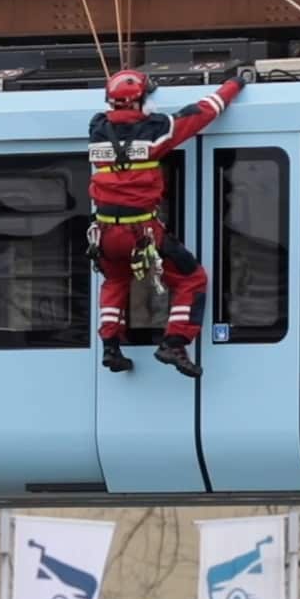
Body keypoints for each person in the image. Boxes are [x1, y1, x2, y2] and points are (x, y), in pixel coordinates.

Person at [87, 67, 253, 377]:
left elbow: (115, 121)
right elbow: (204, 111)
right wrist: (235, 83)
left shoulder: (96, 129)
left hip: (104, 233)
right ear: (140, 102)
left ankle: (110, 346)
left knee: (115, 280)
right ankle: (174, 342)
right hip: (142, 231)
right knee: (191, 278)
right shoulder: (157, 131)